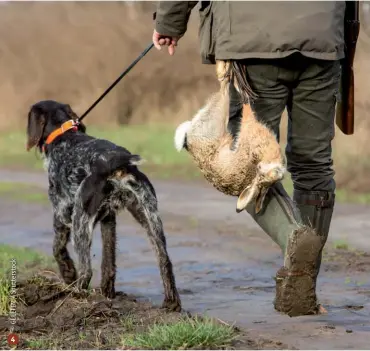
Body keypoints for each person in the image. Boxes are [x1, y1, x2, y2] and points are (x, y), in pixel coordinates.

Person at [152, 1, 346, 316]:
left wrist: (169, 22)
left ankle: (294, 236)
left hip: (250, 42)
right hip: (320, 37)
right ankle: (301, 291)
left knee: (245, 168)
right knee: (314, 165)